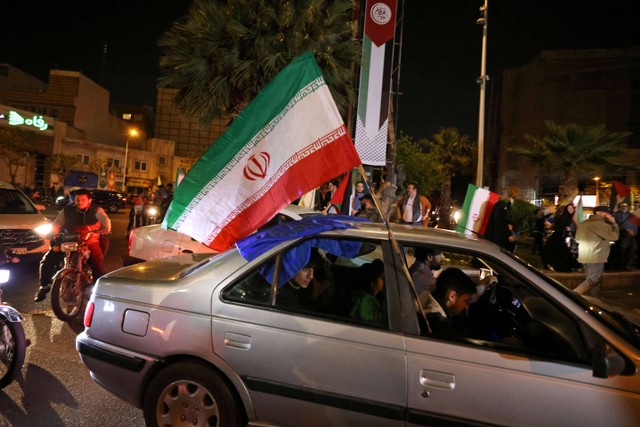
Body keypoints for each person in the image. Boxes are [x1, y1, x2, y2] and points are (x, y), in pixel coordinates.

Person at [34, 188, 111, 302]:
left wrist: (105, 229)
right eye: (77, 200)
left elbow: (106, 221)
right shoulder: (67, 210)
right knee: (48, 259)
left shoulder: (97, 210)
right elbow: (57, 224)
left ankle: (98, 291)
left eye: (83, 200)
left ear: (89, 200)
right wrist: (51, 234)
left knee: (97, 265)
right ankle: (44, 286)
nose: (80, 202)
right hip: (70, 239)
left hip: (90, 240)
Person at [573, 206, 619, 296]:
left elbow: (577, 239)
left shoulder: (583, 223)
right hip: (596, 255)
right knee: (593, 280)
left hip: (584, 255)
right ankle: (573, 294)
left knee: (594, 280)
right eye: (606, 213)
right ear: (598, 213)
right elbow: (614, 236)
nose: (608, 215)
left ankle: (595, 299)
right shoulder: (601, 224)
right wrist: (614, 224)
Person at [422, 267, 477, 338]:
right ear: (452, 296)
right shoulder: (439, 323)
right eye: (466, 301)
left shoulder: (426, 303)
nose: (467, 306)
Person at [541, 204, 579, 271]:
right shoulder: (564, 218)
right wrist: (565, 229)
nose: (571, 210)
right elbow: (560, 226)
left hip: (568, 238)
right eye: (569, 208)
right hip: (562, 239)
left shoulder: (570, 218)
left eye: (572, 208)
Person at [611, 202, 637, 271]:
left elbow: (635, 224)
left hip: (632, 236)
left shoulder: (630, 215)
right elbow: (614, 225)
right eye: (622, 206)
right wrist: (626, 229)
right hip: (622, 235)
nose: (624, 207)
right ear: (619, 207)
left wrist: (634, 232)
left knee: (632, 250)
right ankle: (620, 266)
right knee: (622, 250)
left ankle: (627, 265)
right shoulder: (615, 215)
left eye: (625, 206)